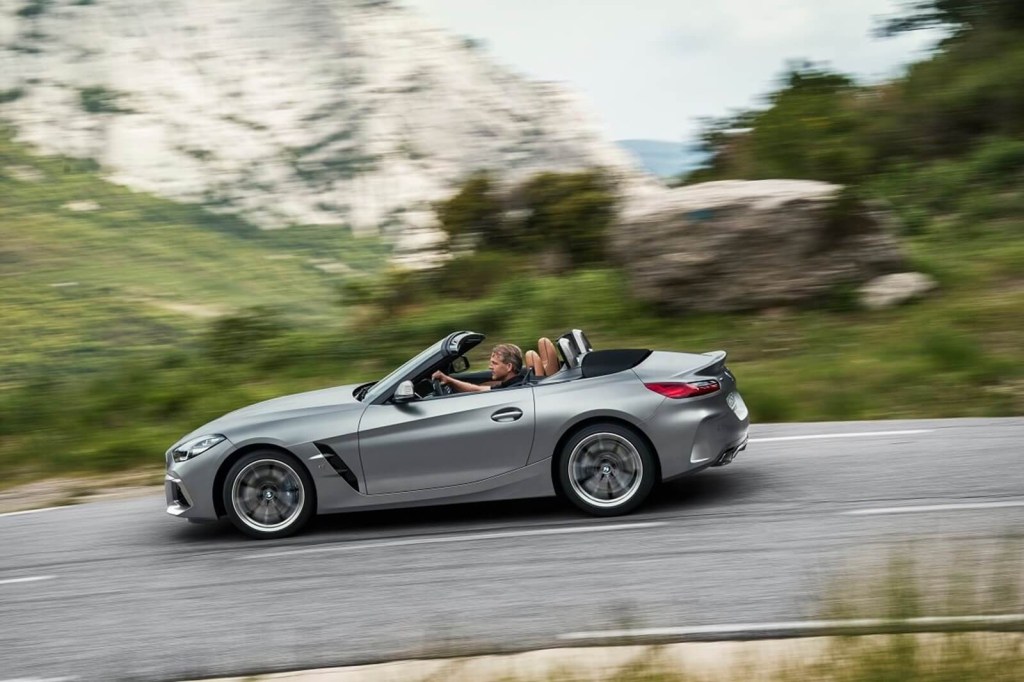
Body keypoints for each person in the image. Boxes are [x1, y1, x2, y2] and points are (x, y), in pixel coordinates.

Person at [432, 343, 525, 393]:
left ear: (509, 367)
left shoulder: (514, 389)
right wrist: (449, 380)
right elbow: (477, 389)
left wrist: (449, 380)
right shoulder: (509, 385)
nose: (489, 367)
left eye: (494, 363)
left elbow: (477, 390)